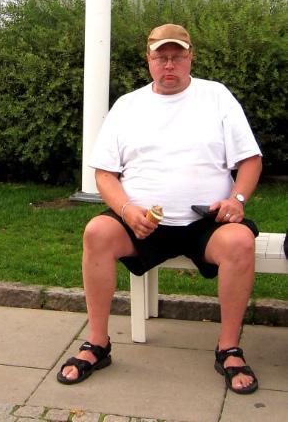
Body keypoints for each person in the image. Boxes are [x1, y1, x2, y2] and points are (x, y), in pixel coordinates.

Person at [57, 23, 263, 395]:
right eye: (161, 57)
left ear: (190, 57)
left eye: (177, 56)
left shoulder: (216, 97)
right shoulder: (128, 105)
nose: (169, 64)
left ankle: (229, 348)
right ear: (149, 59)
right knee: (96, 232)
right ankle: (97, 344)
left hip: (207, 221)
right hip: (142, 222)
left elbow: (250, 161)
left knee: (239, 243)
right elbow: (104, 173)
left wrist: (237, 200)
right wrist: (124, 209)